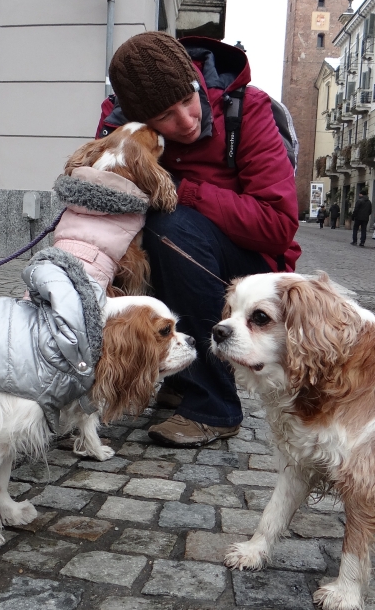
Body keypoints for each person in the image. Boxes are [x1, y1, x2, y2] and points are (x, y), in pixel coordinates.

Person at [97, 32, 300, 447]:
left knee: (170, 228)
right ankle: (161, 376)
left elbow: (279, 225)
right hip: (179, 249)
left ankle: (214, 406)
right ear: (141, 120)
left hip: (250, 263)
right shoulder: (120, 129)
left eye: (188, 100)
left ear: (196, 80)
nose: (187, 121)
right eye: (166, 117)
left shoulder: (248, 109)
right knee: (119, 243)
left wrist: (186, 192)